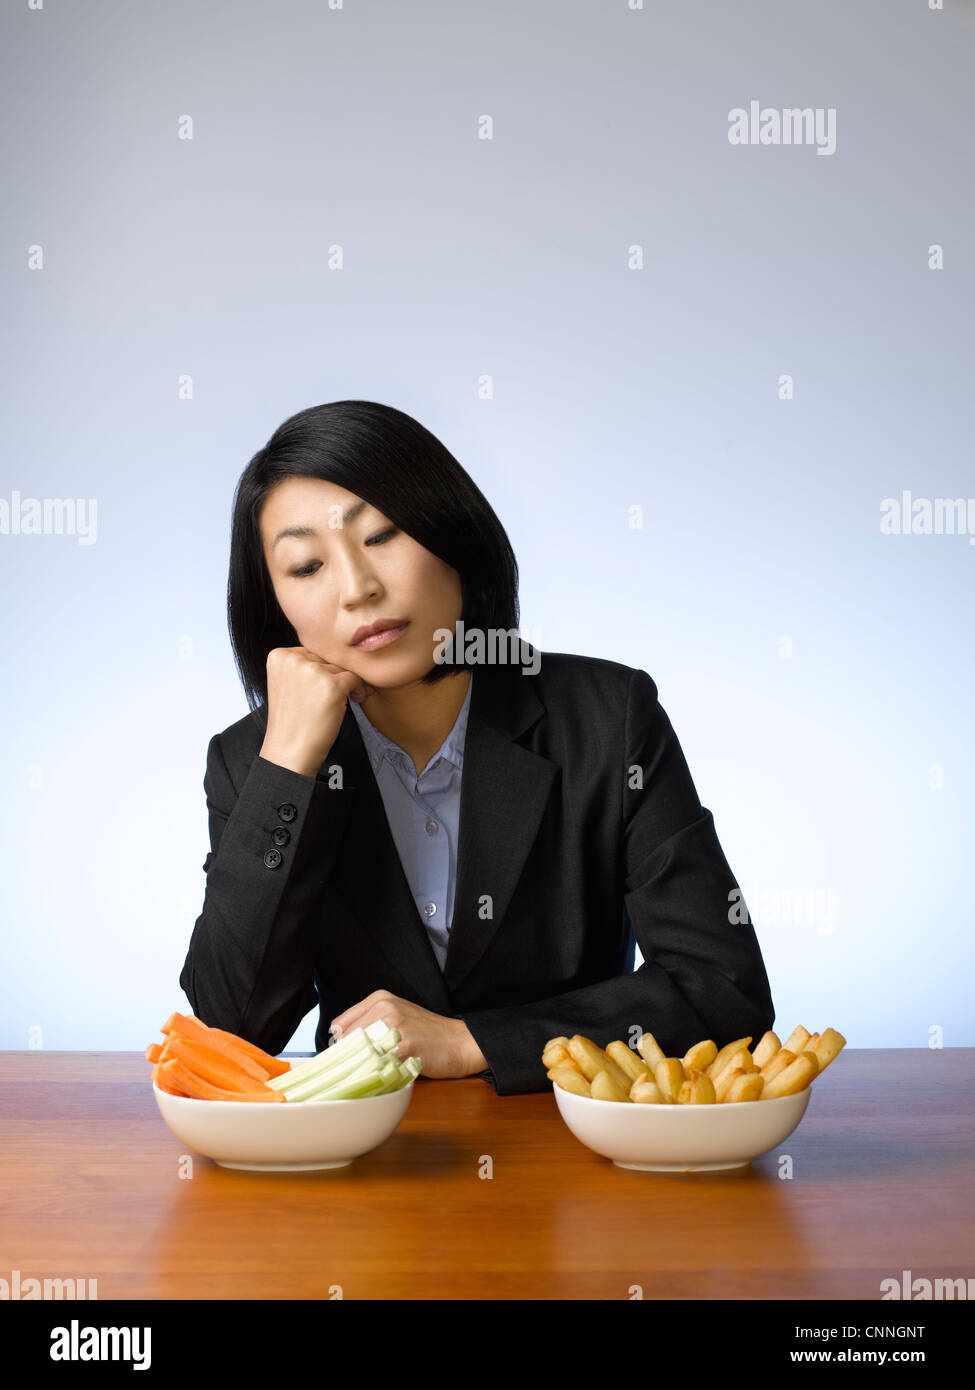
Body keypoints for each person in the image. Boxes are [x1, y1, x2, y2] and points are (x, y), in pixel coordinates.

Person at [179, 400, 775, 1095]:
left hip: (571, 1145)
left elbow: (723, 991)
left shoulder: (607, 717)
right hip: (366, 1156)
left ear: (454, 536)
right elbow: (230, 1028)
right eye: (306, 565)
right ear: (273, 605)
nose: (358, 588)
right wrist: (286, 766)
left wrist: (470, 1042)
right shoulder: (254, 761)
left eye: (383, 535)